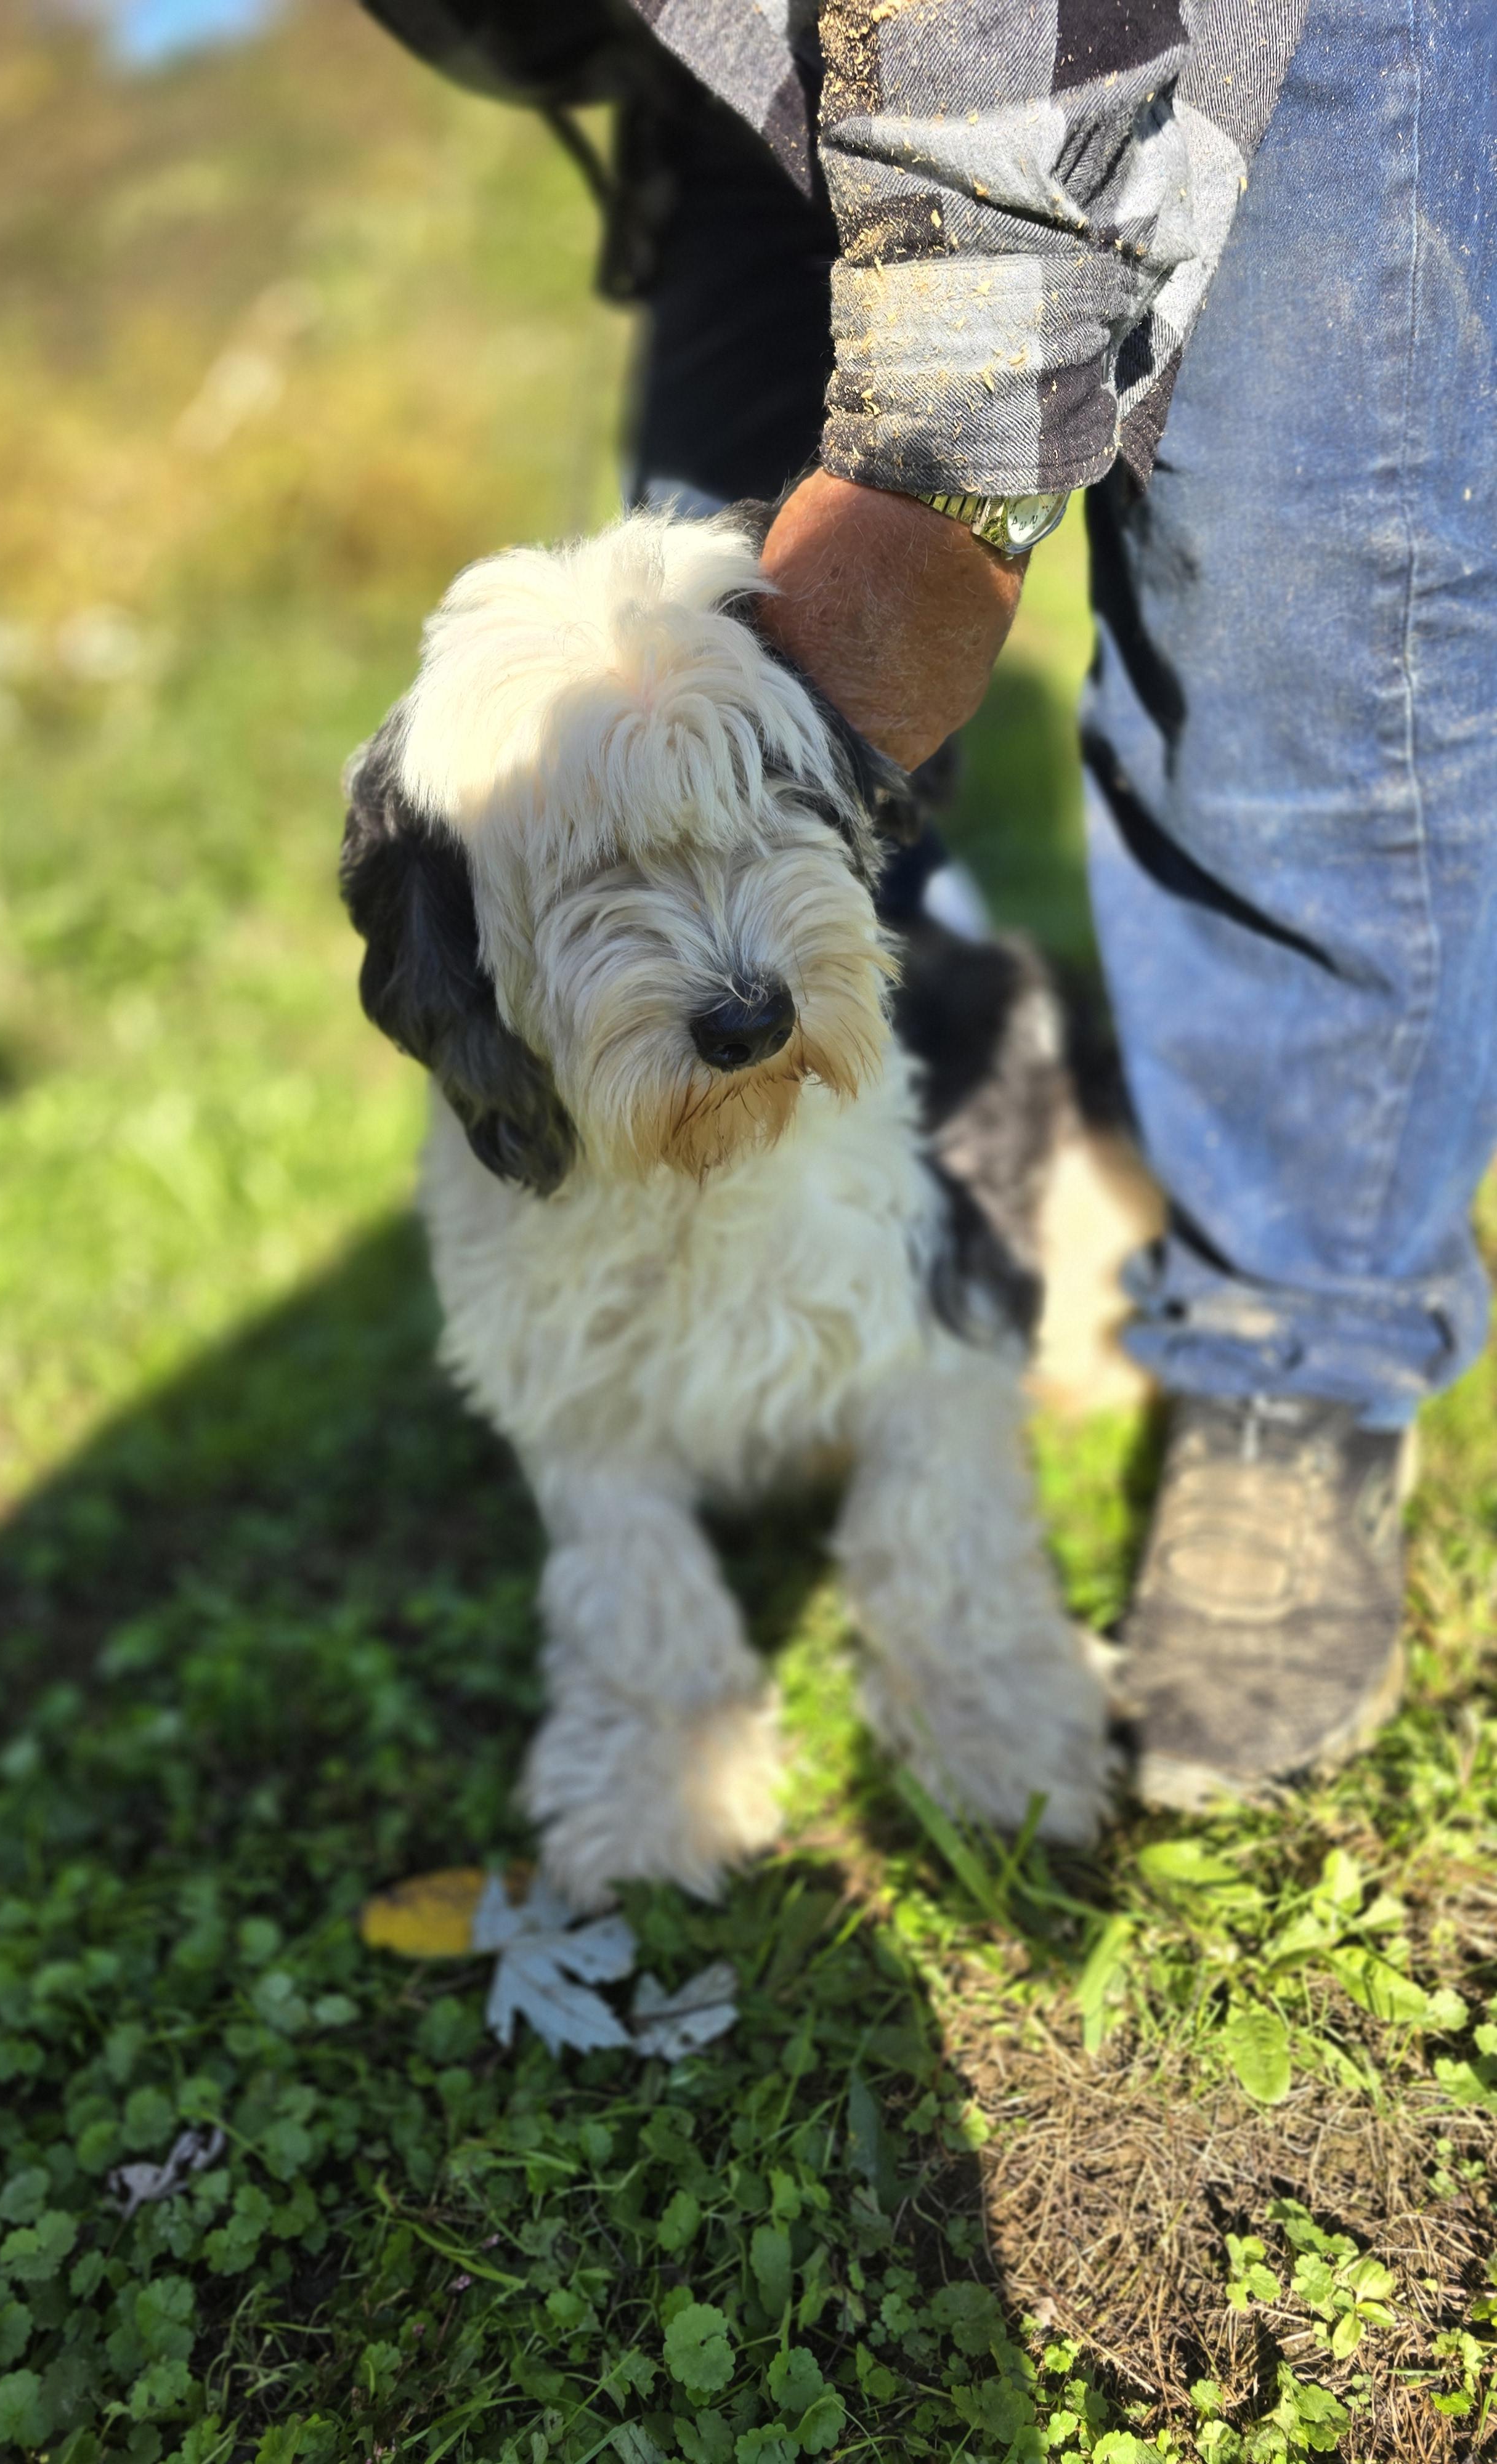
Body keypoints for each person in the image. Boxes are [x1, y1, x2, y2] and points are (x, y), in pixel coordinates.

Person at [361, 0, 1497, 1811]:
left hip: (1206, 29)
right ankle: (779, 1303)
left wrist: (947, 476)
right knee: (723, 646)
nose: (729, 964)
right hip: (732, 42)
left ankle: (1299, 1343)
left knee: (1298, 654)